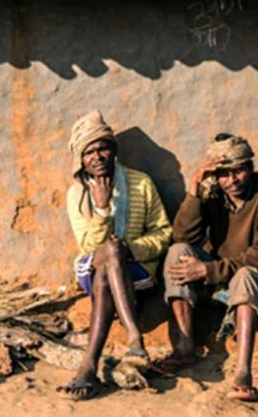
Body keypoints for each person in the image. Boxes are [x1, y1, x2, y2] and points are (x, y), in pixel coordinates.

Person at [162, 133, 258, 401]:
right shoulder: (213, 193)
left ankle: (243, 372)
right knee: (177, 253)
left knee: (245, 276)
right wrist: (195, 190)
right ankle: (185, 346)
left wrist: (208, 272)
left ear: (250, 168)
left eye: (239, 171)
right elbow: (183, 237)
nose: (232, 180)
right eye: (224, 173)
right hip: (222, 274)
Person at [62, 110, 172, 399]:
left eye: (103, 148)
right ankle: (134, 336)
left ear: (113, 151)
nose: (97, 157)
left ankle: (88, 366)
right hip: (91, 265)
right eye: (89, 152)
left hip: (138, 274)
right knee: (108, 253)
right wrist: (100, 210)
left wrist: (130, 249)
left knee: (108, 271)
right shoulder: (77, 194)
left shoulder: (141, 183)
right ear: (81, 159)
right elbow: (87, 246)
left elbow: (163, 233)